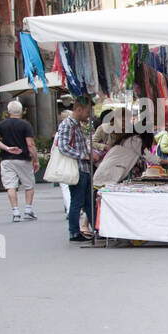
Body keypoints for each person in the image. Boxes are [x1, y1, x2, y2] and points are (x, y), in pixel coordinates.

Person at [0, 100, 39, 222]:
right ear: (21, 111)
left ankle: (15, 211)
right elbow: (30, 144)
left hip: (7, 159)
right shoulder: (25, 125)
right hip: (23, 158)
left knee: (10, 185)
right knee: (29, 184)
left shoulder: (2, 124)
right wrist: (36, 160)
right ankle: (28, 209)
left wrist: (6, 148)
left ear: (8, 111)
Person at [53, 98, 95, 242]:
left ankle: (95, 227)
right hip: (77, 169)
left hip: (84, 168)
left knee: (89, 201)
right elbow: (63, 146)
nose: (89, 115)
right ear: (79, 109)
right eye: (87, 111)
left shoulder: (77, 125)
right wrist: (83, 155)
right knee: (77, 201)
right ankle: (74, 231)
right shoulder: (67, 125)